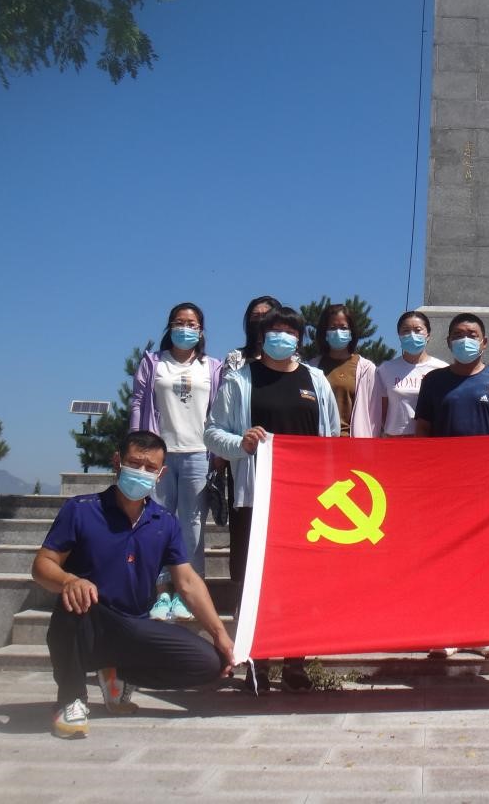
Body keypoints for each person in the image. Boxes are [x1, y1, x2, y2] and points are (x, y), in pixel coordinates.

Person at [32, 430, 234, 739]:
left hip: (135, 625)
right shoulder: (81, 509)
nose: (142, 472)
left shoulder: (164, 522)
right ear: (117, 462)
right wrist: (69, 580)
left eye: (150, 467)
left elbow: (188, 582)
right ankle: (71, 700)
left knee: (209, 664)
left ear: (160, 474)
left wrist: (220, 634)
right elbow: (42, 565)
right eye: (134, 463)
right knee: (73, 602)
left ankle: (117, 673)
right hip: (89, 619)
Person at [205, 305, 340, 692]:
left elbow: (331, 438)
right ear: (261, 337)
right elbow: (212, 433)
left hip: (305, 501)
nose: (283, 337)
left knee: (299, 582)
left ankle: (296, 660)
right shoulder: (239, 380)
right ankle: (256, 662)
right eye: (275, 331)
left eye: (290, 331)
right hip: (255, 499)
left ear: (299, 337)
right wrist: (241, 442)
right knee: (253, 582)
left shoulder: (315, 380)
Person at [414, 312, 489, 660]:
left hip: (488, 485)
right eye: (458, 334)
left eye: (472, 334)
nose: (465, 340)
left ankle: (486, 630)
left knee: (486, 558)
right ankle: (447, 630)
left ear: (484, 342)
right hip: (444, 486)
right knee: (447, 558)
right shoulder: (434, 381)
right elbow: (422, 429)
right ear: (448, 342)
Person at [128, 302, 223, 620]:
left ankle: (188, 592)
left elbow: (219, 410)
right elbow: (138, 402)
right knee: (156, 522)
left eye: (192, 323)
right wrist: (137, 446)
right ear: (169, 326)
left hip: (199, 454)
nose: (186, 328)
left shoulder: (213, 367)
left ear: (201, 330)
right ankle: (161, 592)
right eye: (179, 322)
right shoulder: (153, 362)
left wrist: (219, 453)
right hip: (160, 456)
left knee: (192, 527)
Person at [308, 302, 381, 437]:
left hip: (354, 443)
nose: (338, 332)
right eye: (332, 327)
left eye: (343, 327)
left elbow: (374, 414)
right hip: (321, 442)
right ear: (324, 332)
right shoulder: (312, 368)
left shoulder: (367, 368)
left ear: (351, 332)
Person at [377, 310, 448, 436]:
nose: (412, 335)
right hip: (394, 440)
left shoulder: (442, 369)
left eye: (418, 330)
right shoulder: (386, 369)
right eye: (406, 330)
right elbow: (381, 410)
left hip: (429, 439)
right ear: (399, 335)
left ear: (428, 335)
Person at [224, 296, 282, 375]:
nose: (261, 320)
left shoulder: (293, 359)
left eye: (266, 315)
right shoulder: (236, 357)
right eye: (256, 316)